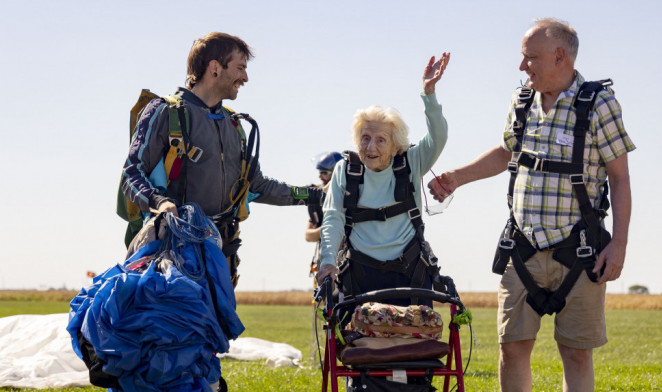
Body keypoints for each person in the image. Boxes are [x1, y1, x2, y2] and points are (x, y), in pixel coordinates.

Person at [428, 19, 634, 392]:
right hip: (521, 248)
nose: (522, 67)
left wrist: (618, 244)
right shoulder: (522, 99)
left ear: (560, 57)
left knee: (575, 353)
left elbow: (620, 177)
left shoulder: (598, 103)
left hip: (580, 250)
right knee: (512, 348)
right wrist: (457, 177)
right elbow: (507, 152)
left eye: (530, 58)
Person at [121, 32, 322, 289]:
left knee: (219, 329)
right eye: (240, 68)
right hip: (171, 260)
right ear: (215, 68)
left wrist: (314, 195)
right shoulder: (164, 113)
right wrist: (160, 203)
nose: (245, 78)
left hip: (221, 260)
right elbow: (131, 173)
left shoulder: (234, 124)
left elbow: (257, 187)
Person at [315, 52, 450, 303]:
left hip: (410, 274)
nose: (370, 148)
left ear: (396, 146)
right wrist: (328, 263)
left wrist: (429, 94)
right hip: (359, 275)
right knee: (357, 342)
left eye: (380, 140)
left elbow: (438, 138)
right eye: (365, 138)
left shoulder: (411, 162)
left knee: (419, 341)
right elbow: (333, 217)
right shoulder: (345, 170)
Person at [305, 151, 343, 279]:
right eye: (319, 172)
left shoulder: (348, 196)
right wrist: (331, 227)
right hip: (326, 261)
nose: (320, 177)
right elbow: (308, 235)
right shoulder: (317, 198)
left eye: (324, 173)